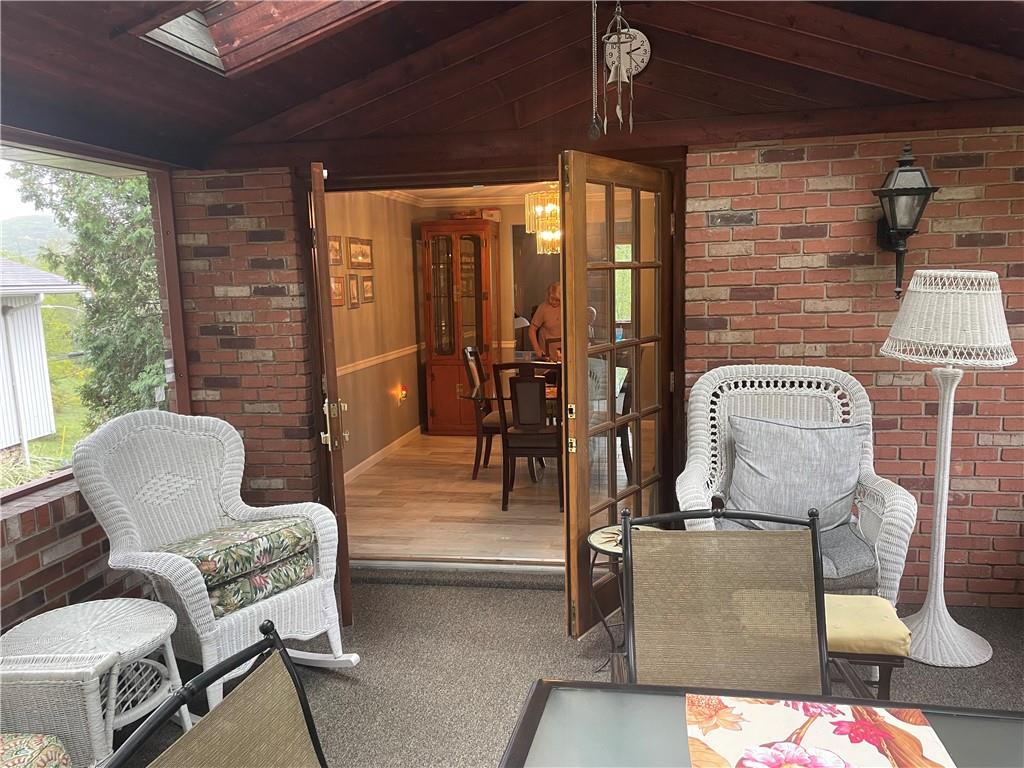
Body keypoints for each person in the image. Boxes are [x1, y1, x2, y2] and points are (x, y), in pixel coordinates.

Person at [529, 282, 562, 359]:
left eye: (557, 300)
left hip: (564, 353)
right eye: (551, 298)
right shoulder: (543, 308)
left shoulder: (567, 306)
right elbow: (532, 330)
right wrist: (537, 349)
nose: (553, 302)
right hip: (547, 353)